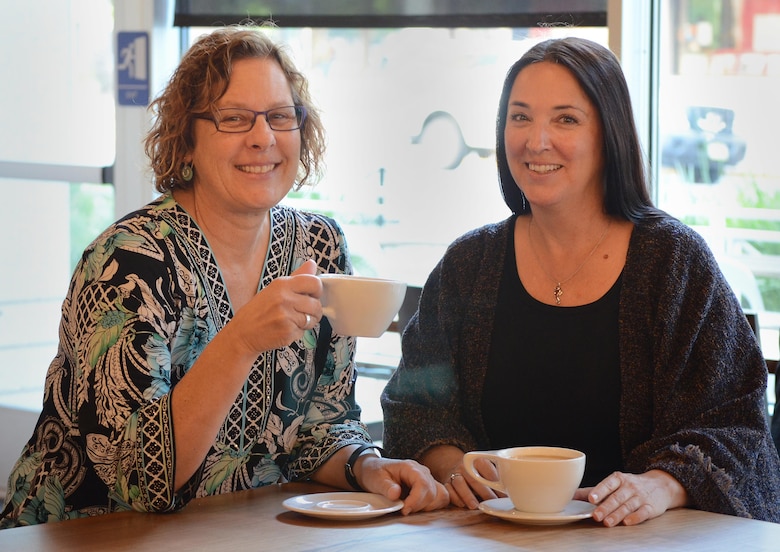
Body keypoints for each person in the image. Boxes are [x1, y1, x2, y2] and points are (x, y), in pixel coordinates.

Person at [1, 25, 447, 529]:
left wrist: (368, 466)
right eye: (234, 119)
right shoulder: (129, 263)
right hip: (83, 537)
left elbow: (322, 426)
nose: (264, 138)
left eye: (281, 116)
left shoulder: (319, 245)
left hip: (235, 532)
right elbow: (140, 481)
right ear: (185, 140)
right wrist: (240, 342)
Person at [381, 37, 780, 527]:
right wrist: (452, 465)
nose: (535, 141)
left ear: (608, 134)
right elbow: (414, 404)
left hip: (640, 539)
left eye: (565, 119)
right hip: (491, 538)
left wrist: (661, 484)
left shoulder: (672, 260)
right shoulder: (470, 263)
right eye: (520, 116)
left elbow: (736, 420)